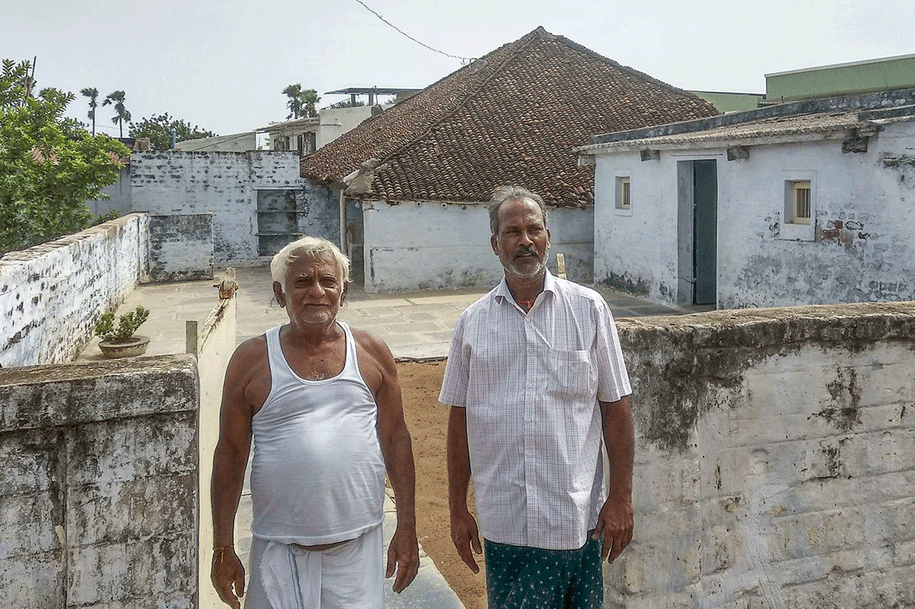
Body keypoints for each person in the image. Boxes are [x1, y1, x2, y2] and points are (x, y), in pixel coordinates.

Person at [440, 186, 635, 608]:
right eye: (512, 232)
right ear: (496, 244)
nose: (524, 241)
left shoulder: (589, 310)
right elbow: (460, 424)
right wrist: (457, 509)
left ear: (548, 236)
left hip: (572, 519)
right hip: (503, 521)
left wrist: (620, 498)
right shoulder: (472, 324)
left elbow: (616, 410)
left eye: (534, 229)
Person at [210, 236, 418, 609]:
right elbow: (230, 453)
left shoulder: (372, 351)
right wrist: (222, 547)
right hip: (277, 552)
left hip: (357, 555)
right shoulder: (251, 360)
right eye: (302, 281)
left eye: (328, 281)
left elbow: (396, 438)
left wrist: (407, 527)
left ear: (344, 290)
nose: (317, 292)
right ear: (280, 292)